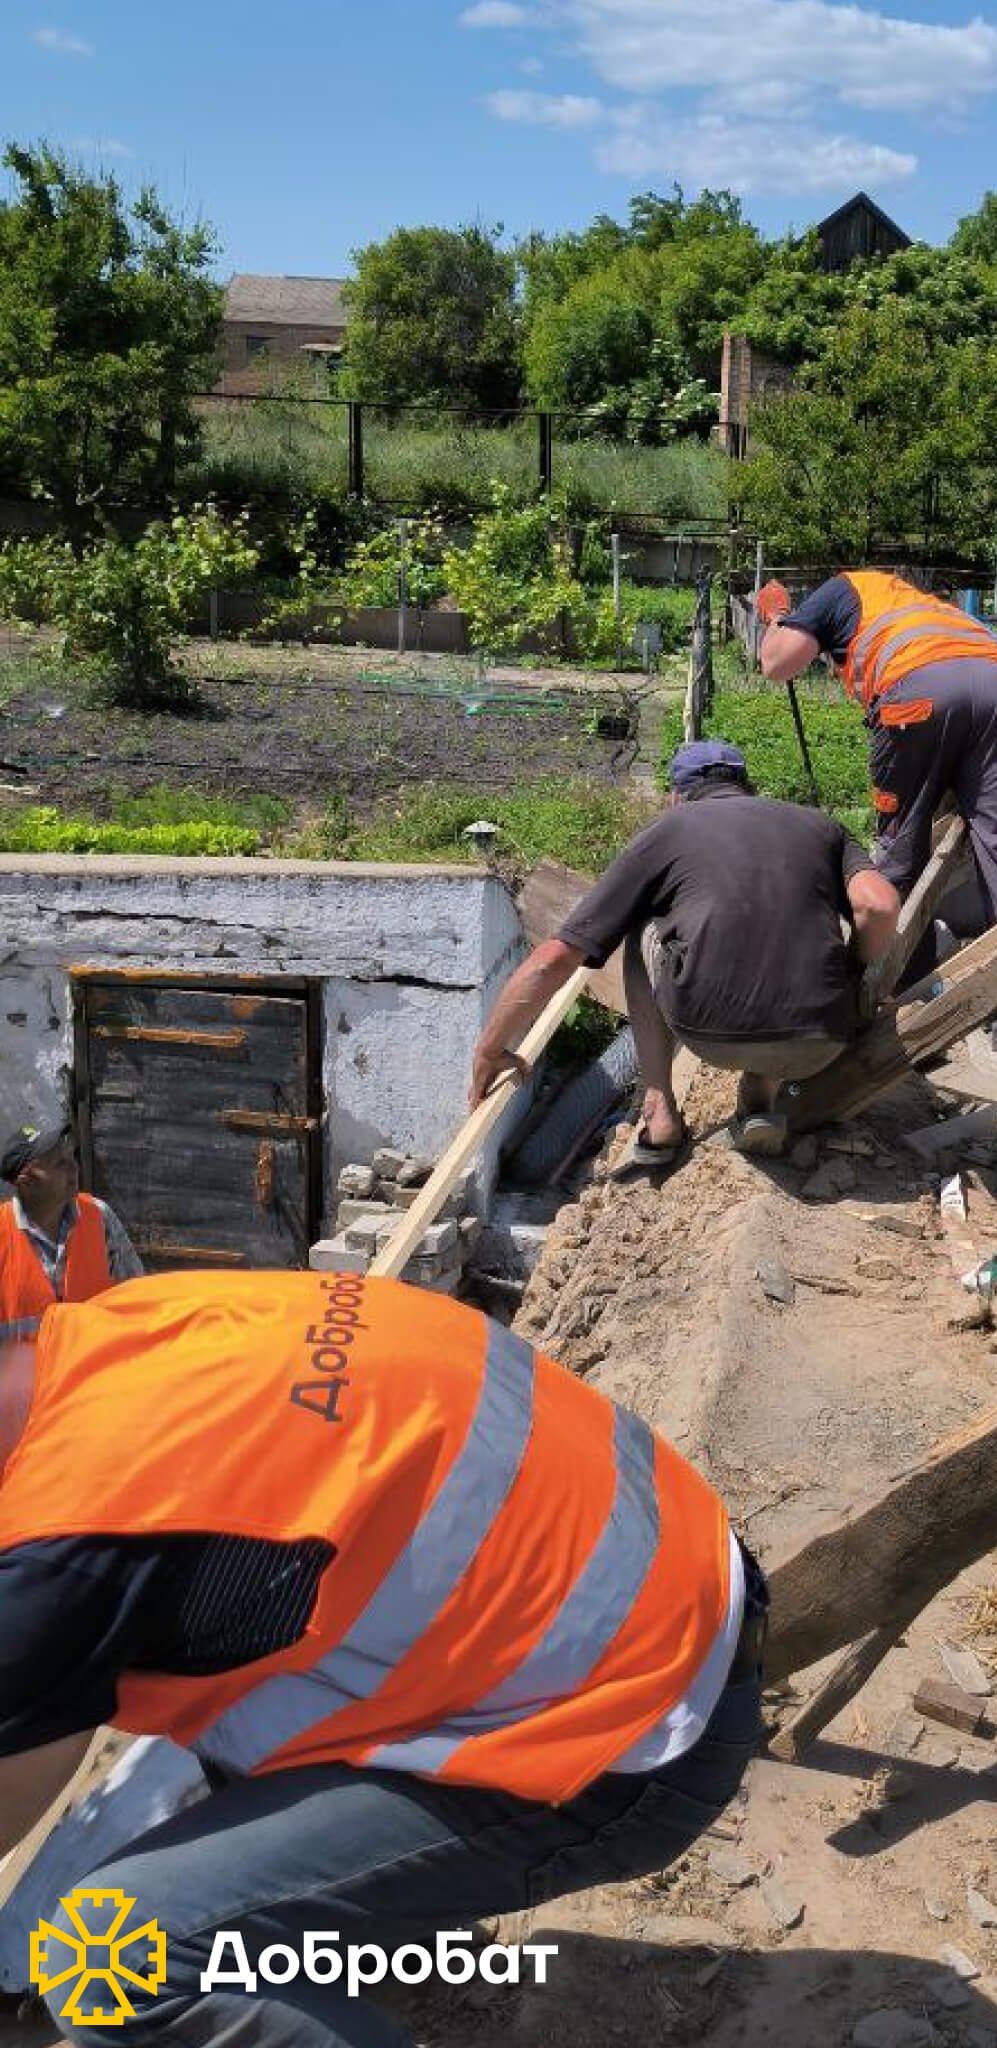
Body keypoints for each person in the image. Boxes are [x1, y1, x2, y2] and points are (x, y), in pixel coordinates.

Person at [0, 1270, 766, 2048]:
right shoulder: (125, 1327)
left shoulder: (64, 1553)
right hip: (674, 1572)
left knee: (105, 1959)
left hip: (631, 1743)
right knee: (221, 1690)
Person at [471, 740, 900, 1159]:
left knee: (640, 925)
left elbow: (554, 958)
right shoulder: (820, 825)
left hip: (711, 1032)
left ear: (677, 797)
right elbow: (879, 906)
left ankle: (659, 1109)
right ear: (748, 787)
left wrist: (490, 1049)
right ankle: (762, 1092)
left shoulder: (669, 830)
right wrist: (852, 973)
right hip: (824, 1037)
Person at [757, 570, 997, 1072]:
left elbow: (777, 663)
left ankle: (906, 1017)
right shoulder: (924, 607)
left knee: (899, 865)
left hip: (917, 693)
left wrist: (777, 617)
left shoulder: (840, 589)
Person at [0, 1120, 141, 1342]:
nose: (74, 1167)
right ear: (26, 1182)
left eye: (71, 1157)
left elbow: (137, 1296)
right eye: (60, 1163)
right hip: (26, 1365)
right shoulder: (3, 1234)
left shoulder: (99, 1217)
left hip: (94, 1362)